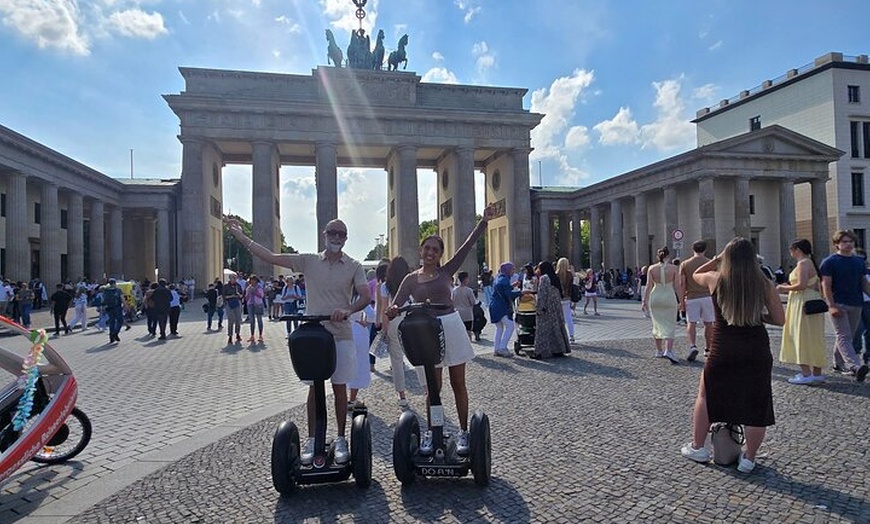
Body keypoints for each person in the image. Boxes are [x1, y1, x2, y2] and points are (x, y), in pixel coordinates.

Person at [225, 215, 369, 466]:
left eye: (341, 234)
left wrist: (349, 309)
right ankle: (313, 439)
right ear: (324, 234)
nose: (336, 237)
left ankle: (341, 437)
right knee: (314, 387)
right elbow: (271, 257)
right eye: (332, 232)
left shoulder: (354, 265)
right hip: (315, 333)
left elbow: (366, 295)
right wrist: (240, 236)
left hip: (341, 331)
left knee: (339, 387)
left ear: (346, 239)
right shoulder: (309, 260)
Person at [387, 204, 495, 456]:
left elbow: (466, 246)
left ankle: (463, 431)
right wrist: (392, 309)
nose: (430, 252)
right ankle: (434, 430)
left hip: (450, 325)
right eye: (427, 248)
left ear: (440, 254)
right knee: (433, 388)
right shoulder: (411, 278)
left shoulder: (447, 271)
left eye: (435, 250)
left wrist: (483, 223)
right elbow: (398, 301)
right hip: (426, 331)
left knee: (458, 382)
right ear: (421, 251)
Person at [681, 237, 784, 473]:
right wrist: (758, 317)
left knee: (706, 395)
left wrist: (717, 258)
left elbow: (696, 273)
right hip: (756, 348)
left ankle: (698, 447)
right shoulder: (764, 283)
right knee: (757, 402)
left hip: (724, 347)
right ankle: (748, 458)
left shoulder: (716, 279)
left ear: (726, 259)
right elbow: (780, 319)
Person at [819, 230, 870, 381]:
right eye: (844, 242)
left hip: (856, 303)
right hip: (839, 303)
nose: (848, 244)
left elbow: (863, 283)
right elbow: (826, 285)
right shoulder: (829, 262)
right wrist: (831, 305)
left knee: (846, 335)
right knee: (844, 335)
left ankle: (837, 363)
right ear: (837, 244)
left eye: (850, 242)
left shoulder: (858, 262)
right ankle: (854, 365)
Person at [777, 239, 827, 385]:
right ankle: (817, 373)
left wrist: (782, 288)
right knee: (814, 336)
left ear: (797, 249)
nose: (790, 252)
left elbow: (801, 285)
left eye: (791, 250)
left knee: (801, 336)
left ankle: (806, 373)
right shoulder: (811, 262)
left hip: (803, 302)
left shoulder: (803, 263)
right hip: (812, 300)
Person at [378, 256, 413, 410]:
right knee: (418, 356)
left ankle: (402, 395)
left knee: (396, 360)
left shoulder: (385, 286)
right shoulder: (411, 281)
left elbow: (385, 309)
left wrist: (384, 330)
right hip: (410, 320)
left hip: (394, 321)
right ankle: (427, 389)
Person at [641, 247, 683, 364]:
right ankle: (668, 350)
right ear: (668, 256)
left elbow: (648, 285)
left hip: (656, 297)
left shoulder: (651, 268)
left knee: (657, 324)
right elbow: (678, 286)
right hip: (669, 296)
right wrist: (681, 301)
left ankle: (659, 350)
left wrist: (644, 300)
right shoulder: (674, 268)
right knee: (670, 323)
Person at [679, 240, 715, 361]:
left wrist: (681, 301)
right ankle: (708, 348)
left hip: (691, 297)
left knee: (691, 322)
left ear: (692, 249)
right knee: (709, 323)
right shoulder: (710, 263)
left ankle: (692, 345)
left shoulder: (685, 264)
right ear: (705, 249)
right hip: (707, 296)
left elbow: (682, 284)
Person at [534, 260, 571, 358]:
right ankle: (558, 349)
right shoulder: (555, 277)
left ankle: (540, 352)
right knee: (557, 327)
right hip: (556, 307)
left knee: (543, 329)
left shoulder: (544, 278)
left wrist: (539, 308)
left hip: (547, 306)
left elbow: (542, 294)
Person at [347, 297, 375, 409]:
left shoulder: (340, 293)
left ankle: (342, 398)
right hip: (358, 331)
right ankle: (352, 399)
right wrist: (364, 319)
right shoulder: (359, 296)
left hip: (342, 331)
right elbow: (372, 316)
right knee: (358, 366)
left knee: (343, 366)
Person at [489, 261, 522, 357]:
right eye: (512, 269)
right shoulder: (505, 280)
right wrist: (521, 292)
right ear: (507, 270)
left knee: (499, 328)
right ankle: (503, 347)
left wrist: (512, 286)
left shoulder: (499, 277)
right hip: (501, 306)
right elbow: (508, 294)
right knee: (510, 325)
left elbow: (503, 289)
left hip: (494, 305)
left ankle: (496, 348)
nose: (513, 271)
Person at [555, 258, 575, 343]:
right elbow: (571, 285)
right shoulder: (570, 274)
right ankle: (571, 336)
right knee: (568, 317)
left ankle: (560, 336)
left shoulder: (556, 274)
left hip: (558, 297)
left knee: (559, 318)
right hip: (567, 297)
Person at [452, 271, 477, 340]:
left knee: (459, 332)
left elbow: (452, 302)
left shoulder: (454, 290)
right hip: (467, 314)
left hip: (457, 314)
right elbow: (473, 302)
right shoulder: (469, 290)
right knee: (468, 332)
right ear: (465, 279)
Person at [222, 274, 244, 345]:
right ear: (230, 278)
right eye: (233, 278)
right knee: (230, 320)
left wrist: (239, 295)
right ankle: (230, 336)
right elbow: (224, 296)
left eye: (235, 278)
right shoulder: (226, 286)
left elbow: (242, 295)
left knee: (238, 319)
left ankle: (238, 334)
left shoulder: (238, 286)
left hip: (237, 303)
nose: (234, 279)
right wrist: (231, 296)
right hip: (229, 304)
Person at [101, 279, 124, 343]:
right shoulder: (118, 290)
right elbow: (122, 299)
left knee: (112, 322)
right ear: (114, 283)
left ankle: (111, 337)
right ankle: (115, 333)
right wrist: (126, 306)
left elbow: (103, 300)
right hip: (117, 307)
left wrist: (102, 308)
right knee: (120, 321)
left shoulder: (106, 290)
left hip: (109, 308)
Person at [244, 275, 265, 343]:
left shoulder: (259, 287)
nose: (252, 282)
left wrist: (255, 292)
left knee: (259, 320)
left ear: (256, 281)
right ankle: (252, 335)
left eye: (254, 280)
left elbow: (261, 296)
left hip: (258, 304)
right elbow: (246, 298)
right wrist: (249, 293)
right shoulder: (248, 288)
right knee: (252, 320)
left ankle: (260, 335)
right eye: (251, 280)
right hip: (250, 304)